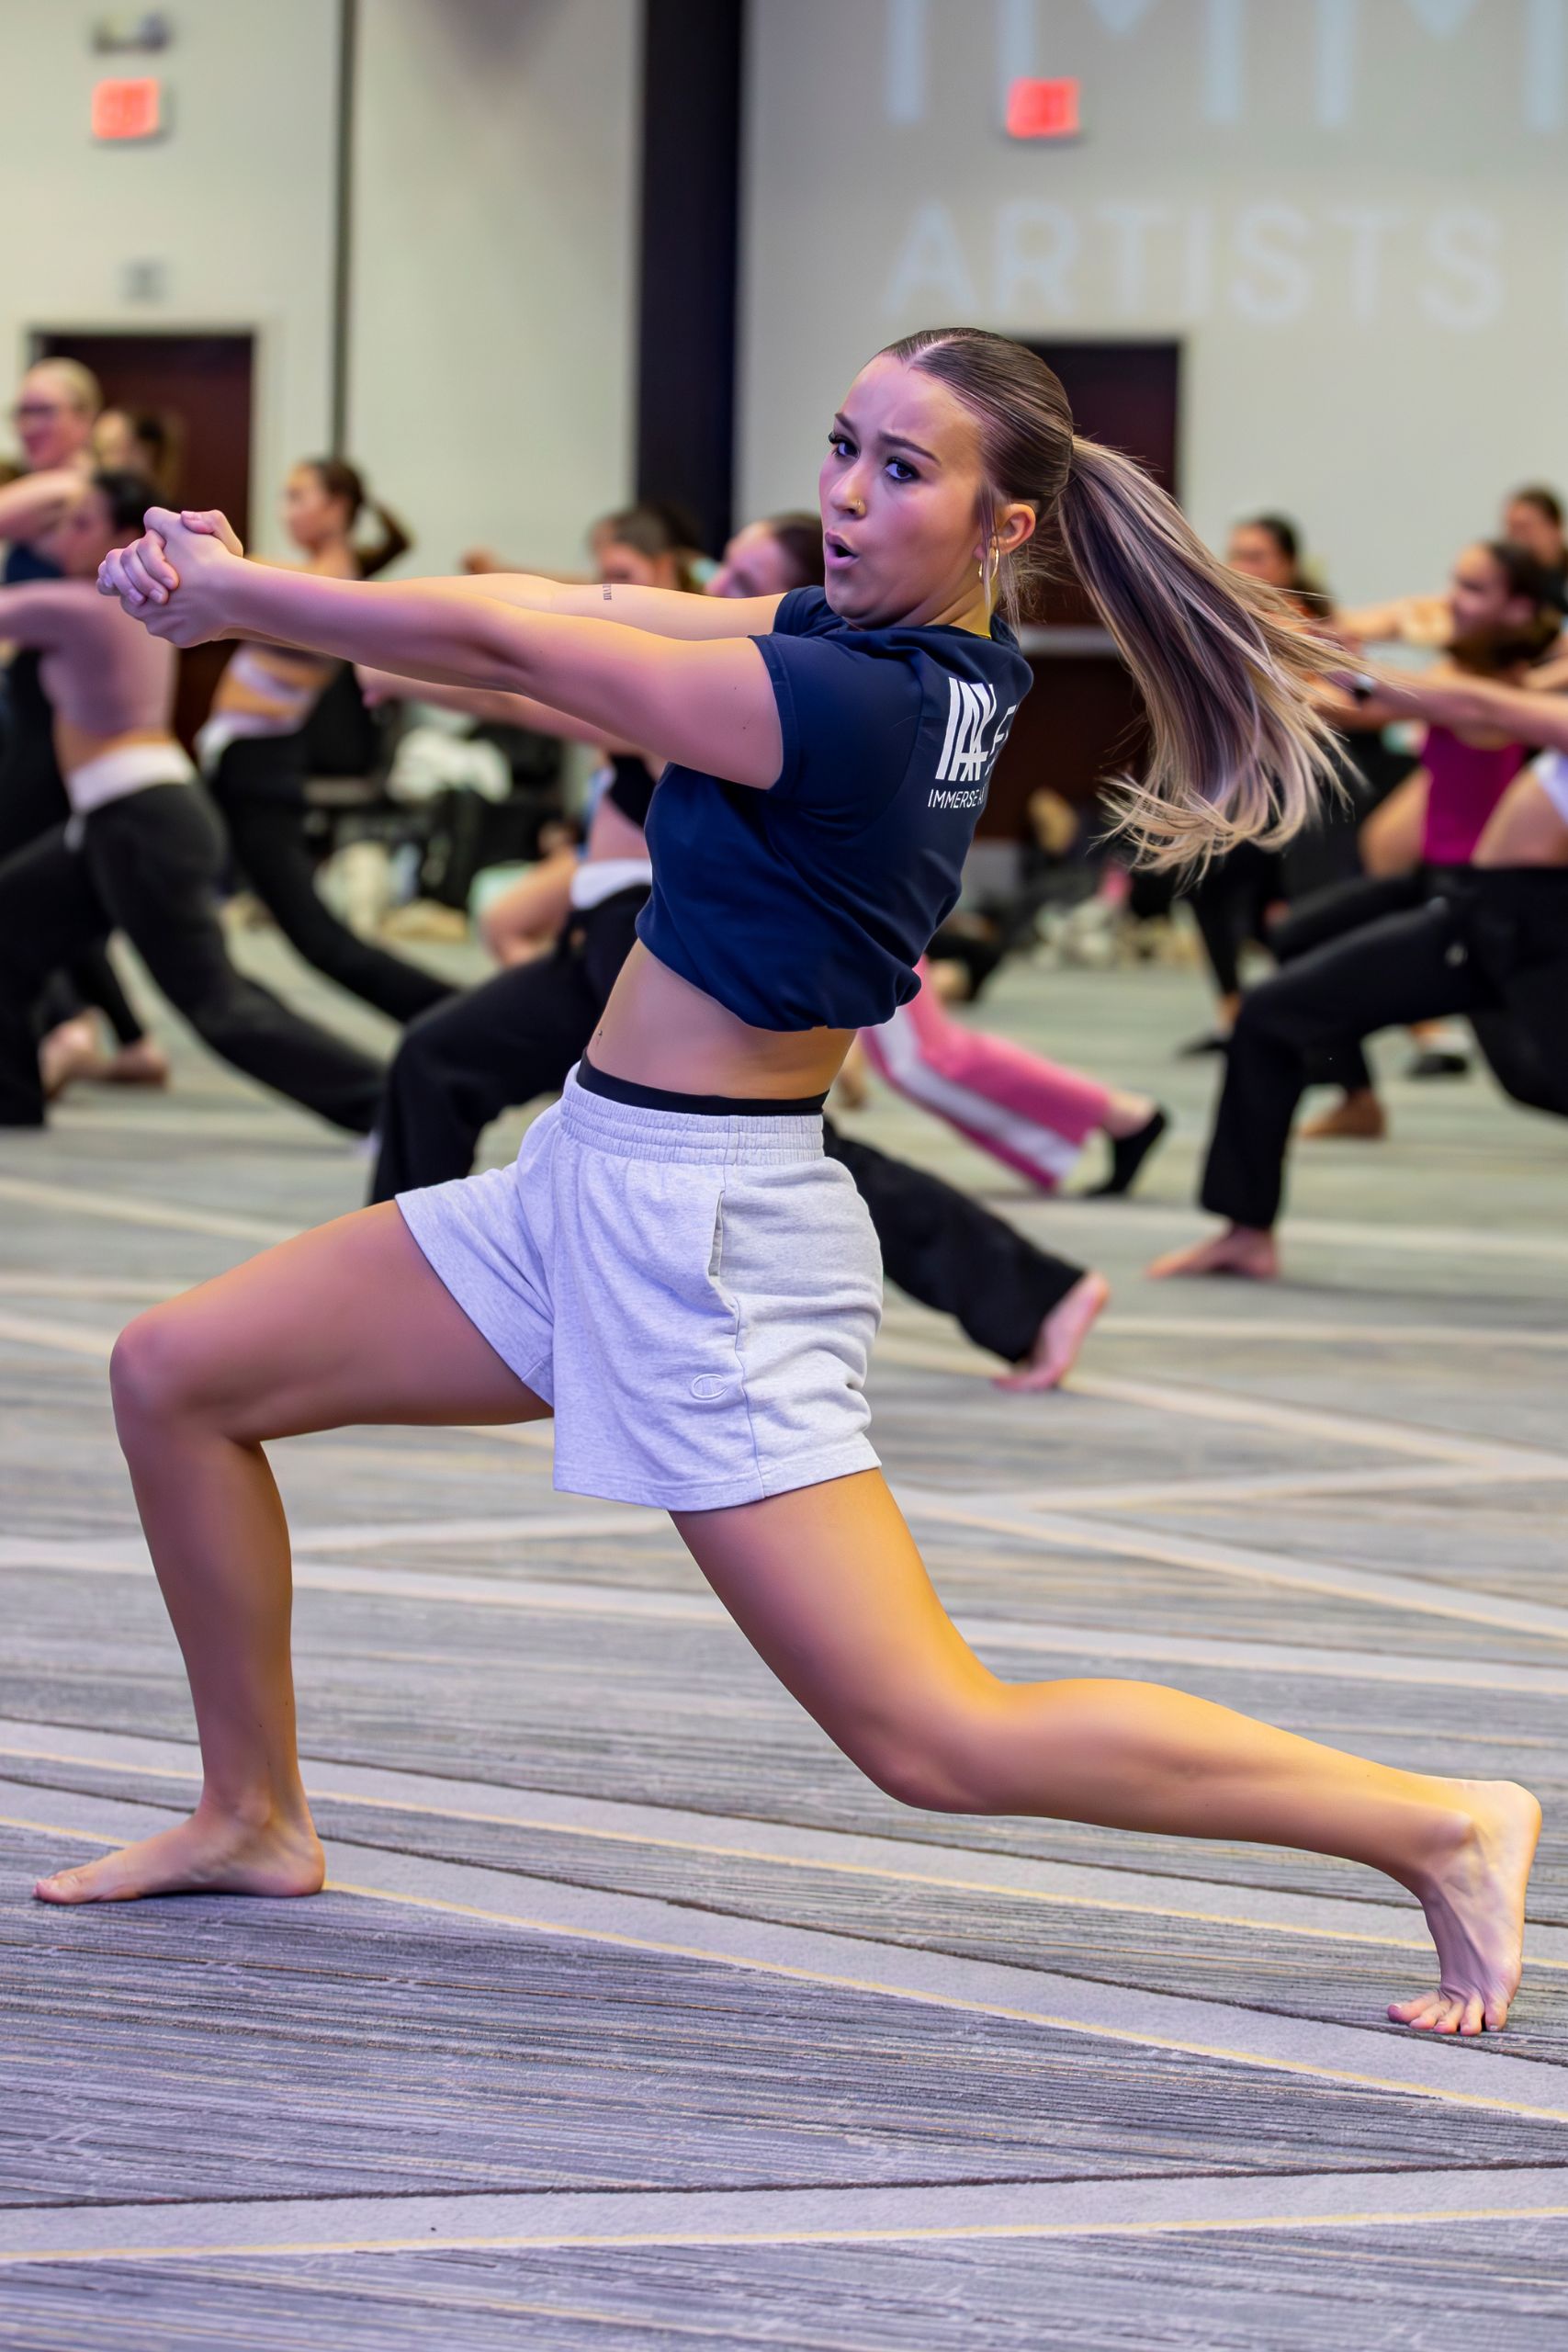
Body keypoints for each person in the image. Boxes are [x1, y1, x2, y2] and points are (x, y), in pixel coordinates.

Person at [70, 329, 1538, 2040]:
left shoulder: (854, 701)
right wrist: (292, 601)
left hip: (705, 1242)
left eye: (901, 471)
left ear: (1004, 526)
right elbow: (583, 622)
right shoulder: (888, 649)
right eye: (843, 446)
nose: (845, 494)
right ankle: (253, 1816)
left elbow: (509, 638)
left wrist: (262, 601)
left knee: (934, 1740)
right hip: (586, 1189)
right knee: (174, 1375)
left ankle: (1435, 1821)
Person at [365, 509, 1113, 1388]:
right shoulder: (716, 658)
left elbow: (523, 681)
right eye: (722, 570)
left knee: (786, 1153)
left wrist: (398, 659)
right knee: (438, 1061)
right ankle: (405, 1300)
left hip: (666, 948)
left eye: (744, 578)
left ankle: (1031, 1289)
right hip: (612, 946)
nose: (721, 590)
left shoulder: (748, 685)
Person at [1148, 662, 1568, 1284]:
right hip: (1479, 914)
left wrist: (1349, 672)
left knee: (1537, 1081)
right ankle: (1244, 1232)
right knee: (1272, 1014)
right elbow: (1510, 691)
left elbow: (1489, 707)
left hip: (1547, 927)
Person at [0, 470, 384, 1133]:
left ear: (126, 534)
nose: (66, 535)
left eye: (83, 521)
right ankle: (12, 1102)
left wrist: (57, 478)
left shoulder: (86, 604)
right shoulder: (110, 600)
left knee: (218, 1004)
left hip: (143, 820)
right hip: (119, 817)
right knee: (9, 928)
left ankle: (386, 1105)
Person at [1271, 537, 1561, 1137]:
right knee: (1300, 937)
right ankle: (1356, 1099)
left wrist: (1309, 664)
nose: (1453, 599)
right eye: (1455, 583)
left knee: (1530, 1078)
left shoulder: (1505, 689)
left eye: (1474, 588)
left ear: (1518, 607)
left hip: (1485, 899)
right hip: (1431, 881)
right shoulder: (1464, 669)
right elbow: (1403, 621)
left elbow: (1364, 704)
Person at [197, 458, 449, 1026]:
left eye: (298, 496)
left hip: (259, 766)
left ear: (336, 508)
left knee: (317, 938)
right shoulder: (317, 571)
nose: (287, 510)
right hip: (242, 762)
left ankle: (452, 1015)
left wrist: (214, 557)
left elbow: (244, 577)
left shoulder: (329, 579)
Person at [0, 360, 164, 1092]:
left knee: (34, 878)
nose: (30, 425)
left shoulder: (69, 491)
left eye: (45, 411)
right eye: (21, 412)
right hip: (41, 704)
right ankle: (119, 1034)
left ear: (83, 417)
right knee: (50, 876)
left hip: (59, 717)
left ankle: (70, 1027)